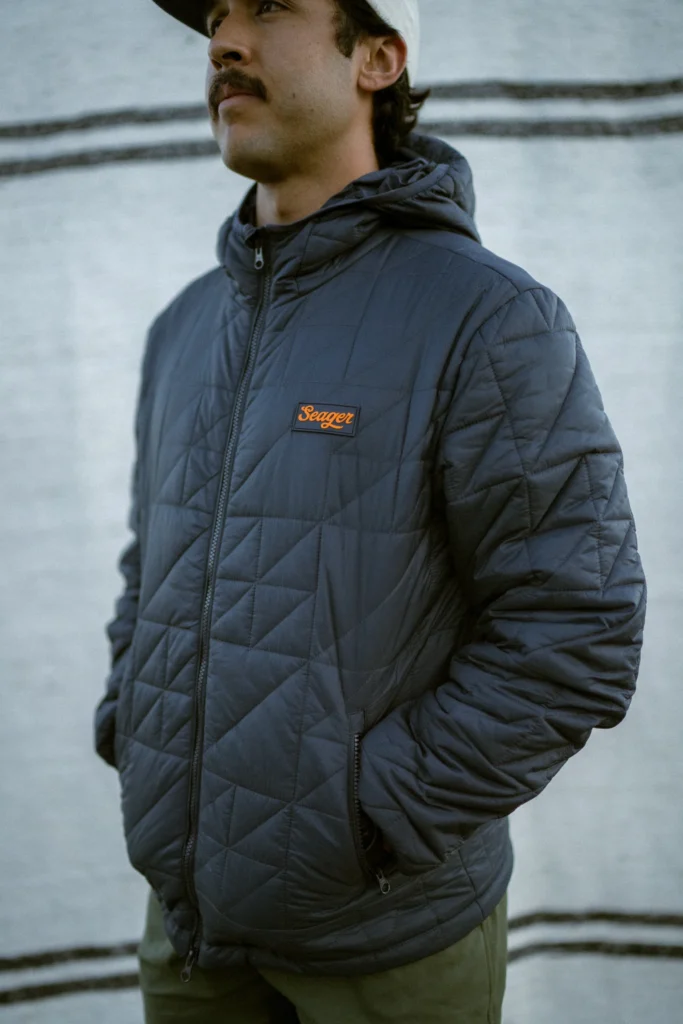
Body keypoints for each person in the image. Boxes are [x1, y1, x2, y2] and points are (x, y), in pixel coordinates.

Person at [93, 0, 647, 1021]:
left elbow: (578, 623)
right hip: (188, 930)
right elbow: (151, 569)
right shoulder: (183, 327)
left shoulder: (487, 316)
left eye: (269, 6)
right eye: (215, 15)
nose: (223, 41)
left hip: (388, 940)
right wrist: (132, 727)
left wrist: (373, 813)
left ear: (378, 58)